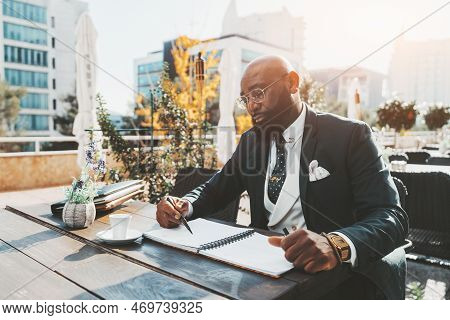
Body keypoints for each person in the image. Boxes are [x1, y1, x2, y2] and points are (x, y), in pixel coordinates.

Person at [155, 55, 408, 299]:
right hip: (265, 277)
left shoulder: (350, 136)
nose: (252, 105)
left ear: (292, 83)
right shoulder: (251, 141)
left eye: (258, 93)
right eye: (246, 98)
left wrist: (336, 245)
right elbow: (215, 189)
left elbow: (391, 217)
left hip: (335, 281)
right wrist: (184, 205)